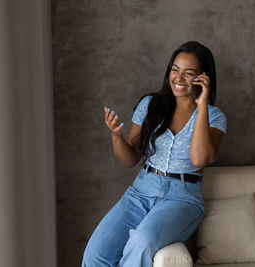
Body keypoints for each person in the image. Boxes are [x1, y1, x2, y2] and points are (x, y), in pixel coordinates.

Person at [82, 41, 227, 267]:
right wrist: (116, 136)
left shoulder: (214, 117)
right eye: (175, 70)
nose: (178, 78)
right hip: (141, 191)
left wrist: (201, 105)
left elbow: (199, 159)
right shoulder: (150, 105)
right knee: (96, 252)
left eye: (189, 73)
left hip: (183, 198)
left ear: (203, 77)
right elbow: (130, 159)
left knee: (142, 240)